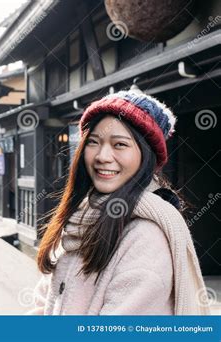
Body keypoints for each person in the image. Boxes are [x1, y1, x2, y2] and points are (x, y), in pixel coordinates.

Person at [30, 90, 209, 315]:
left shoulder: (146, 239)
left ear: (146, 157)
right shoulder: (81, 216)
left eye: (120, 144)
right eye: (93, 142)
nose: (102, 156)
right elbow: (40, 304)